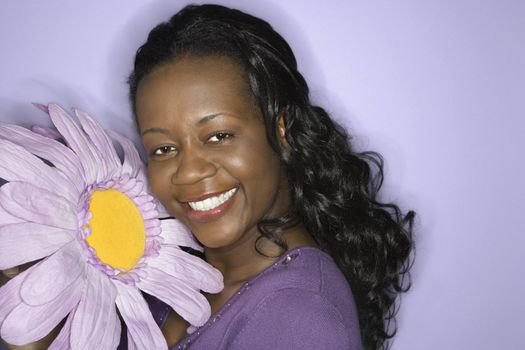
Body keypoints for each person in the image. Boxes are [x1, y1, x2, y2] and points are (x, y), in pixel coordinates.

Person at [129, 4, 414, 350]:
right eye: (163, 149)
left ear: (284, 131)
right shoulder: (169, 275)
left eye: (219, 136)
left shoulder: (299, 317)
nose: (189, 172)